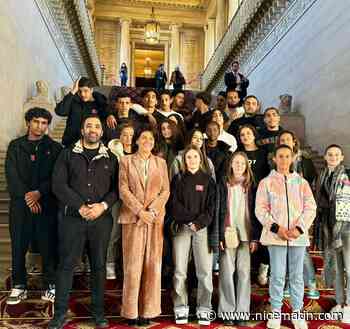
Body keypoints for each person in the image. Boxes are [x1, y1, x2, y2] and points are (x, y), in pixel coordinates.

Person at [48, 115, 119, 329]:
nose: (93, 129)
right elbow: (58, 185)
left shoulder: (111, 158)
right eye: (89, 125)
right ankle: (59, 314)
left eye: (97, 126)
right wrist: (80, 206)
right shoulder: (67, 154)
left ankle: (98, 313)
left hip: (101, 221)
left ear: (101, 131)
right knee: (66, 266)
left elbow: (117, 189)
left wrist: (102, 207)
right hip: (72, 219)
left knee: (98, 267)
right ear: (82, 130)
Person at [255, 145, 317, 329]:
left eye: (287, 156)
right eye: (280, 156)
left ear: (292, 159)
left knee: (297, 276)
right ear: (274, 159)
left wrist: (299, 228)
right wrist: (276, 228)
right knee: (277, 276)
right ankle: (276, 312)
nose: (283, 160)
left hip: (297, 237)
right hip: (276, 237)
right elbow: (260, 209)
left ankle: (297, 314)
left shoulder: (302, 183)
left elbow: (310, 208)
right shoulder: (266, 183)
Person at [5, 108, 62, 305]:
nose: (40, 126)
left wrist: (39, 193)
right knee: (18, 246)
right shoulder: (15, 146)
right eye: (36, 122)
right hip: (20, 207)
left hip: (46, 205)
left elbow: (56, 177)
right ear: (28, 122)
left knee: (48, 246)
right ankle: (19, 285)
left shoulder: (55, 148)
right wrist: (29, 198)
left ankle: (51, 285)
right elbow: (12, 176)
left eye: (44, 123)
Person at [118, 126, 170, 326]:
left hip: (155, 220)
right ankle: (131, 312)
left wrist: (153, 212)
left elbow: (165, 191)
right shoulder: (125, 161)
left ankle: (148, 311)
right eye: (144, 137)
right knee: (132, 267)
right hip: (133, 219)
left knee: (152, 266)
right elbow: (123, 189)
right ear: (137, 141)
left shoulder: (162, 163)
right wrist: (140, 211)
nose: (147, 141)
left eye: (151, 138)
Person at [169, 145, 217, 325]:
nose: (192, 160)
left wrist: (198, 223)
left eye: (195, 157)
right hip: (182, 227)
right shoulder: (178, 179)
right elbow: (173, 205)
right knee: (180, 271)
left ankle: (205, 307)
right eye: (188, 157)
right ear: (184, 160)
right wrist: (190, 221)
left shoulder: (208, 181)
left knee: (204, 271)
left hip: (202, 229)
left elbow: (211, 208)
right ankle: (180, 306)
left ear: (201, 159)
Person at [276, 130, 319, 300]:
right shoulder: (278, 161)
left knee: (302, 253)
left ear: (294, 141)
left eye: (288, 139)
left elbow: (310, 188)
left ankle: (312, 283)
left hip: (299, 216)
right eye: (282, 140)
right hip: (281, 216)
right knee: (285, 254)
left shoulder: (305, 161)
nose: (285, 141)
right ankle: (287, 283)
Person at [218, 152, 260, 325]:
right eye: (236, 162)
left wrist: (255, 238)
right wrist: (219, 235)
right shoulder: (223, 184)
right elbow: (218, 212)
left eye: (242, 163)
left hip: (245, 235)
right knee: (227, 273)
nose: (239, 165)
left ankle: (242, 312)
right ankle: (227, 311)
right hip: (228, 234)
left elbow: (257, 214)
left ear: (246, 165)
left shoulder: (251, 186)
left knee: (243, 274)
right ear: (231, 164)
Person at [314, 144, 350, 323]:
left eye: (337, 154)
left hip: (346, 228)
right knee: (336, 268)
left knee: (349, 268)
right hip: (328, 227)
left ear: (342, 157)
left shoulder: (347, 175)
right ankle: (340, 302)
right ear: (326, 157)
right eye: (330, 154)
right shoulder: (321, 176)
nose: (333, 157)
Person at [238, 124, 270, 285]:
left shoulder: (263, 153)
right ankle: (247, 267)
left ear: (254, 134)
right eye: (242, 134)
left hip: (260, 197)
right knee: (246, 231)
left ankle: (263, 266)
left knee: (262, 232)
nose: (245, 136)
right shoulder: (238, 154)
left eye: (248, 133)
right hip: (242, 197)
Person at [105, 123, 135, 280]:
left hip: (134, 199)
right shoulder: (112, 154)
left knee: (131, 235)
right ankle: (109, 263)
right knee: (114, 233)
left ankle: (127, 266)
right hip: (116, 197)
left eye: (131, 135)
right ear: (120, 136)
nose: (128, 138)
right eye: (125, 134)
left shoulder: (138, 153)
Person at [55, 77, 108, 147]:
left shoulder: (99, 103)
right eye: (80, 91)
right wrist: (73, 91)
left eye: (85, 91)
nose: (82, 94)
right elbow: (60, 111)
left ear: (91, 90)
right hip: (70, 143)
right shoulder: (73, 101)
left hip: (90, 144)